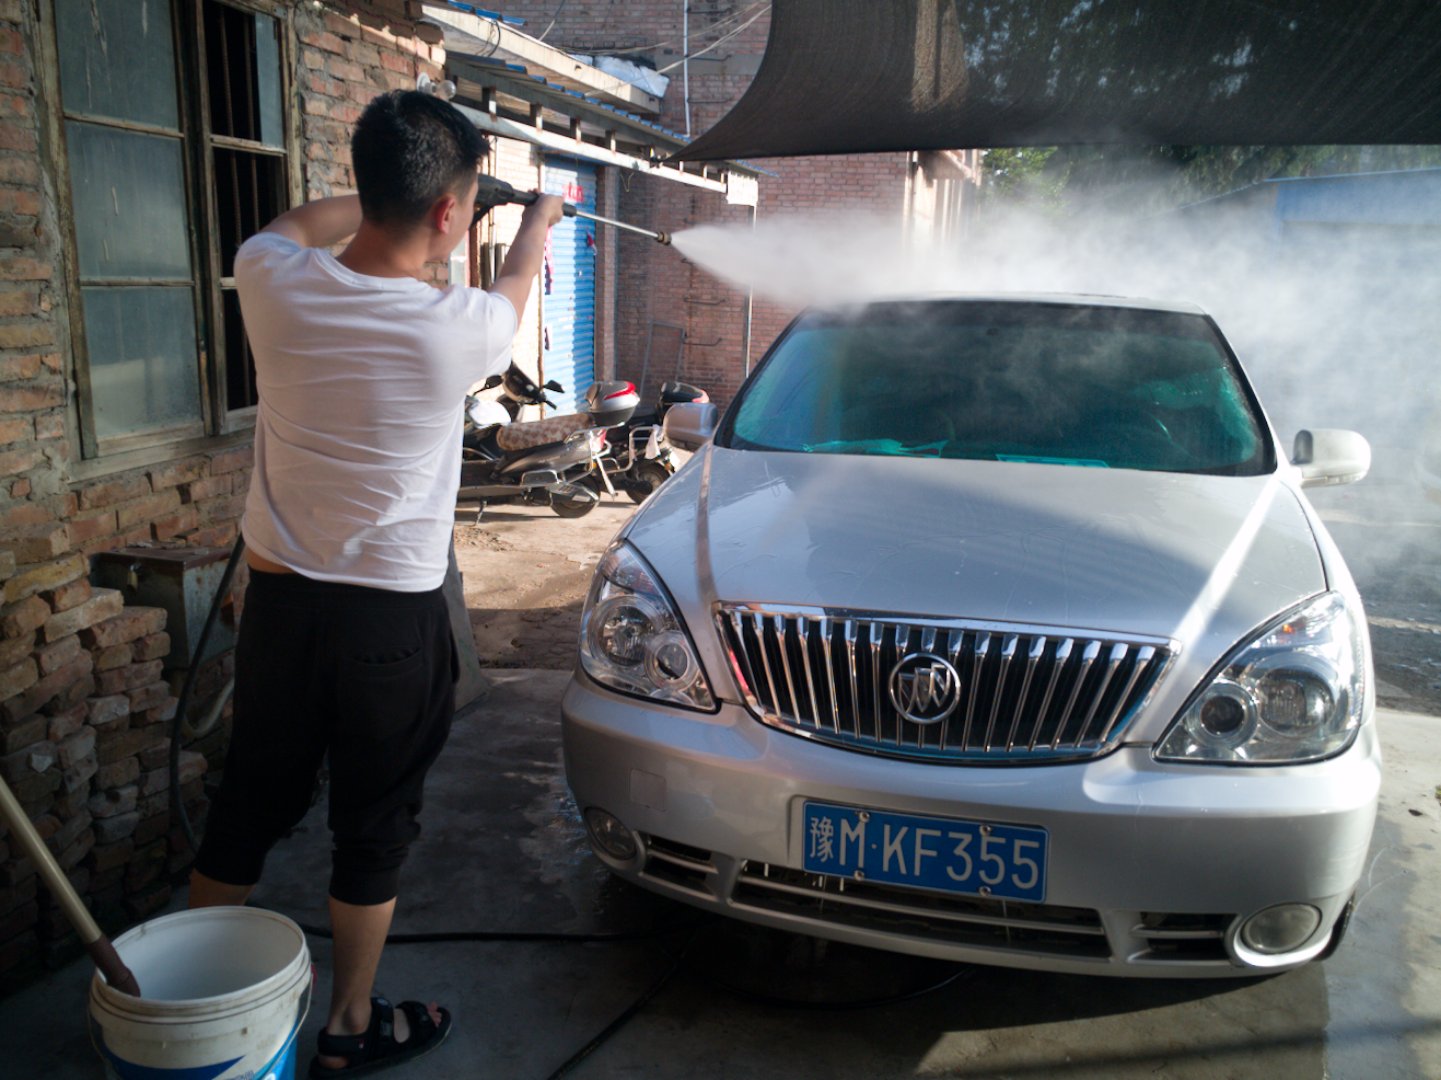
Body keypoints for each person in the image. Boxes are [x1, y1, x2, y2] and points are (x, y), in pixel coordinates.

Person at [188, 90, 563, 1077]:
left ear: (367, 185)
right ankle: (349, 1027)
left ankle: (190, 1011)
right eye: (461, 203)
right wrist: (538, 215)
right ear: (449, 210)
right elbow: (519, 276)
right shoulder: (461, 328)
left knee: (247, 804)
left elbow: (300, 223)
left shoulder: (268, 276)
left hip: (278, 611)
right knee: (373, 826)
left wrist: (405, 197)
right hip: (390, 630)